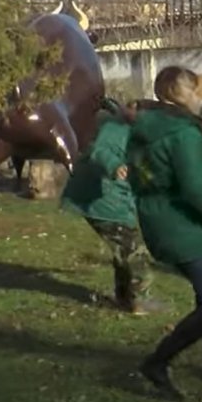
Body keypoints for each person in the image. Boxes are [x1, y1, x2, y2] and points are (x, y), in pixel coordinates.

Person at [127, 66, 202, 401]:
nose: (199, 98)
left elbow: (143, 175)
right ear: (173, 95)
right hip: (183, 224)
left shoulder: (145, 128)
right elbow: (196, 188)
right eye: (192, 91)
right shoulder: (181, 133)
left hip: (157, 220)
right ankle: (157, 362)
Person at [60, 96, 157, 314]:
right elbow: (100, 151)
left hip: (110, 198)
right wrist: (115, 166)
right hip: (103, 199)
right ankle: (139, 300)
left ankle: (124, 297)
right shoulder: (115, 128)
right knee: (134, 251)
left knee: (123, 249)